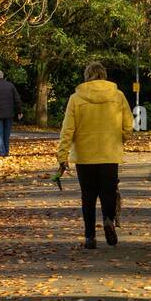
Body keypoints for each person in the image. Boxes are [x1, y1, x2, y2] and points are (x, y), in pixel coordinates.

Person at [58, 61, 134, 249]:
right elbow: (128, 125)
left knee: (88, 195)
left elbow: (67, 129)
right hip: (109, 152)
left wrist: (62, 155)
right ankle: (108, 219)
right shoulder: (118, 96)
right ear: (104, 75)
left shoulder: (76, 98)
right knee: (108, 192)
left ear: (87, 76)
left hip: (85, 154)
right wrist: (121, 139)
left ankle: (90, 236)